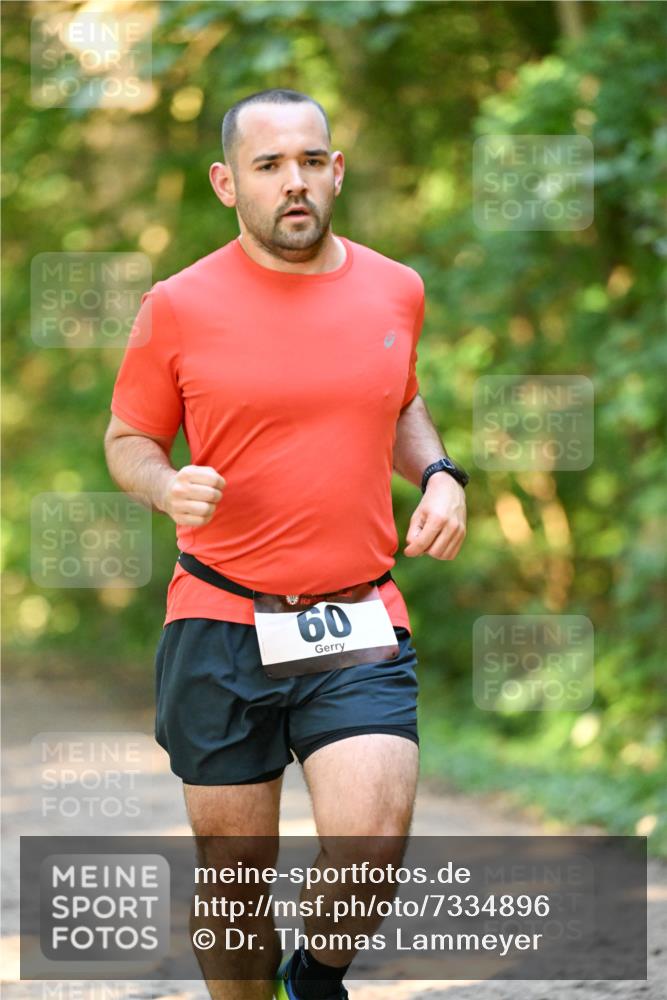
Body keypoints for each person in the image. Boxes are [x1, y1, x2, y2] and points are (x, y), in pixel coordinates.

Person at [105, 88, 467, 1000]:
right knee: (234, 887)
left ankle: (313, 978)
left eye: (310, 160)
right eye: (269, 166)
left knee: (374, 838)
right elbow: (128, 440)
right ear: (229, 183)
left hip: (355, 613)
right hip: (219, 617)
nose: (293, 182)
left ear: (335, 169)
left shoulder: (395, 287)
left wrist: (440, 473)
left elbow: (399, 401)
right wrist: (165, 485)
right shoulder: (179, 304)